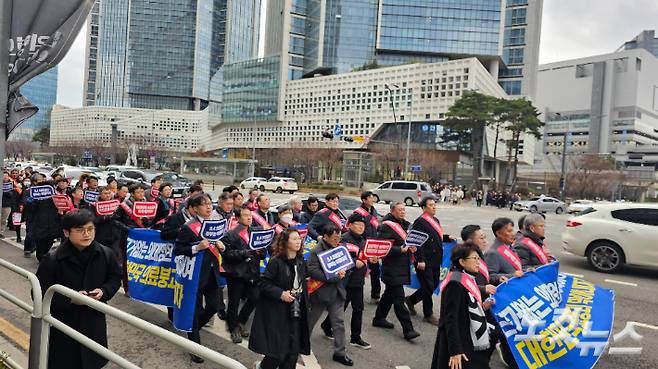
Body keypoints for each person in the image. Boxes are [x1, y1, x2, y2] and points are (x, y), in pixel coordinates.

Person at [36, 209, 122, 369]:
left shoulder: (105, 253)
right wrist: (70, 299)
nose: (86, 234)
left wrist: (103, 291)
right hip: (63, 323)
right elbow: (38, 292)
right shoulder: (53, 259)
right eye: (80, 230)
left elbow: (115, 278)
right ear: (66, 233)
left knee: (93, 360)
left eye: (90, 229)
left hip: (94, 320)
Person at [174, 193, 226, 363]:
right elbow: (178, 249)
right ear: (195, 208)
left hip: (212, 273)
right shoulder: (188, 227)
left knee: (214, 306)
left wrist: (221, 246)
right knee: (194, 310)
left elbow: (219, 245)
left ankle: (193, 327)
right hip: (194, 275)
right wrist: (197, 247)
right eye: (204, 204)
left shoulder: (215, 225)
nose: (209, 207)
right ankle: (194, 347)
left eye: (210, 204)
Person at [249, 228, 310, 369]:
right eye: (294, 239)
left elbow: (304, 279)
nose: (298, 241)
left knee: (293, 351)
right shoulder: (276, 261)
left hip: (295, 311)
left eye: (299, 239)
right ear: (285, 242)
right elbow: (263, 283)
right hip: (277, 312)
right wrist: (280, 293)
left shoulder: (300, 260)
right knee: (276, 352)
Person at [430, 242, 494, 369]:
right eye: (474, 259)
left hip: (467, 335)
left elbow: (465, 306)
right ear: (462, 262)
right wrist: (455, 351)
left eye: (478, 259)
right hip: (458, 341)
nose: (478, 263)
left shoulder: (466, 277)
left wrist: (483, 306)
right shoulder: (455, 283)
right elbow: (450, 319)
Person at [320, 213, 371, 349]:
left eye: (363, 225)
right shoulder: (343, 239)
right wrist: (355, 263)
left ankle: (355, 337)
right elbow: (337, 258)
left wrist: (370, 259)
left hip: (358, 280)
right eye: (358, 225)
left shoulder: (363, 239)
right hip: (345, 280)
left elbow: (364, 256)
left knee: (358, 308)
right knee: (341, 307)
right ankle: (327, 325)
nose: (361, 227)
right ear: (349, 225)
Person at [307, 223, 354, 366]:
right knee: (309, 323)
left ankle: (340, 353)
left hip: (337, 293)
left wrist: (346, 270)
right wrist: (333, 276)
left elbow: (347, 263)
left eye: (339, 237)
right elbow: (312, 270)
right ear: (325, 237)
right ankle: (301, 344)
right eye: (334, 238)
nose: (337, 241)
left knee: (339, 323)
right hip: (320, 294)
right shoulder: (316, 251)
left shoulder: (341, 247)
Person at [373, 202, 420, 341]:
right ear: (392, 211)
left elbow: (408, 241)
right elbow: (381, 246)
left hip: (401, 266)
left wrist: (412, 247)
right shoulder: (386, 225)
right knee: (399, 299)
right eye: (400, 210)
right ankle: (408, 330)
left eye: (404, 210)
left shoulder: (404, 224)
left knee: (389, 295)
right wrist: (399, 249)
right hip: (391, 266)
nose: (403, 212)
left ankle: (379, 318)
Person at [222, 206, 265, 343]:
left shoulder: (255, 232)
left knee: (255, 297)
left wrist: (261, 252)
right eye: (246, 215)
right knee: (234, 302)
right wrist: (242, 253)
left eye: (250, 215)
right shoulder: (231, 234)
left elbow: (263, 253)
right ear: (238, 218)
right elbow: (226, 254)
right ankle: (233, 328)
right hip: (237, 274)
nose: (249, 218)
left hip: (252, 273)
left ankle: (241, 321)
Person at [405, 197, 447, 325]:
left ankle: (411, 300)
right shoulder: (420, 222)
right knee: (428, 286)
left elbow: (434, 237)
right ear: (423, 208)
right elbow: (417, 242)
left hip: (435, 260)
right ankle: (428, 314)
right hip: (424, 260)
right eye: (431, 205)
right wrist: (420, 259)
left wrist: (447, 238)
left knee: (433, 285)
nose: (434, 207)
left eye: (435, 205)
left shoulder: (435, 220)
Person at [352, 191, 382, 303]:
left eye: (372, 197)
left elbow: (376, 226)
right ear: (364, 200)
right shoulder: (358, 213)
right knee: (359, 269)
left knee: (375, 270)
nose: (372, 199)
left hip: (373, 245)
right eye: (369, 197)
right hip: (362, 245)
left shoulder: (374, 211)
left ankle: (375, 295)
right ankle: (352, 293)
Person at [25, 176, 62, 261]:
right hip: (40, 226)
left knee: (48, 244)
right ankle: (41, 260)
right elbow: (31, 209)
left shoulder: (56, 198)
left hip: (52, 226)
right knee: (40, 246)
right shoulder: (37, 199)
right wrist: (30, 202)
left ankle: (44, 258)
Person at [89, 187, 122, 263]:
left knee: (114, 258)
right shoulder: (94, 205)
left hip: (114, 235)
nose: (108, 195)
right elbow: (93, 220)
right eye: (105, 193)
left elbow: (120, 218)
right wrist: (105, 217)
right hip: (101, 236)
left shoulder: (116, 205)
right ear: (100, 194)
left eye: (109, 193)